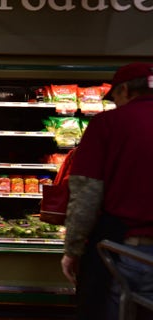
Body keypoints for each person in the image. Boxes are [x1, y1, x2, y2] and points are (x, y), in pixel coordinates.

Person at [61, 62, 153, 320]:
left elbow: (86, 194)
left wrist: (73, 251)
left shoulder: (108, 123)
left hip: (128, 251)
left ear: (124, 90)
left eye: (115, 97)